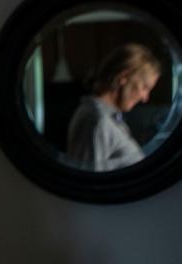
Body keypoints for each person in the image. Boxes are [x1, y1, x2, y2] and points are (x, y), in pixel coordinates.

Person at [66, 43, 161, 171]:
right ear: (123, 78)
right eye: (144, 87)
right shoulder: (96, 120)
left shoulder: (109, 118)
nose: (145, 98)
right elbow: (88, 182)